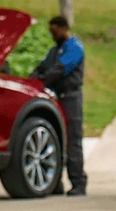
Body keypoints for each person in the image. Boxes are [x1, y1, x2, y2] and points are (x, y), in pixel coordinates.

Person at [30, 15, 88, 196]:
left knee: (73, 141)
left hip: (71, 98)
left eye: (54, 32)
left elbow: (60, 69)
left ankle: (78, 182)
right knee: (56, 139)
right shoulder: (54, 51)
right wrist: (31, 80)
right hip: (55, 98)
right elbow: (43, 66)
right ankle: (55, 183)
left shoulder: (75, 48)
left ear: (63, 29)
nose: (53, 36)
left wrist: (42, 80)